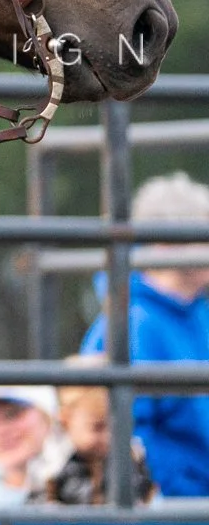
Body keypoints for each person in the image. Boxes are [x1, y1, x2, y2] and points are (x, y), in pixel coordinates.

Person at [79, 171, 209, 498]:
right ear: (164, 245)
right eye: (203, 235)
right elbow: (128, 438)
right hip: (177, 510)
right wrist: (186, 494)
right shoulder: (132, 324)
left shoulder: (197, 313)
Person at [47, 358, 157, 506]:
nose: (108, 437)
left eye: (118, 427)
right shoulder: (53, 462)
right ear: (66, 422)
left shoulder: (130, 455)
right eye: (97, 427)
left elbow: (144, 493)